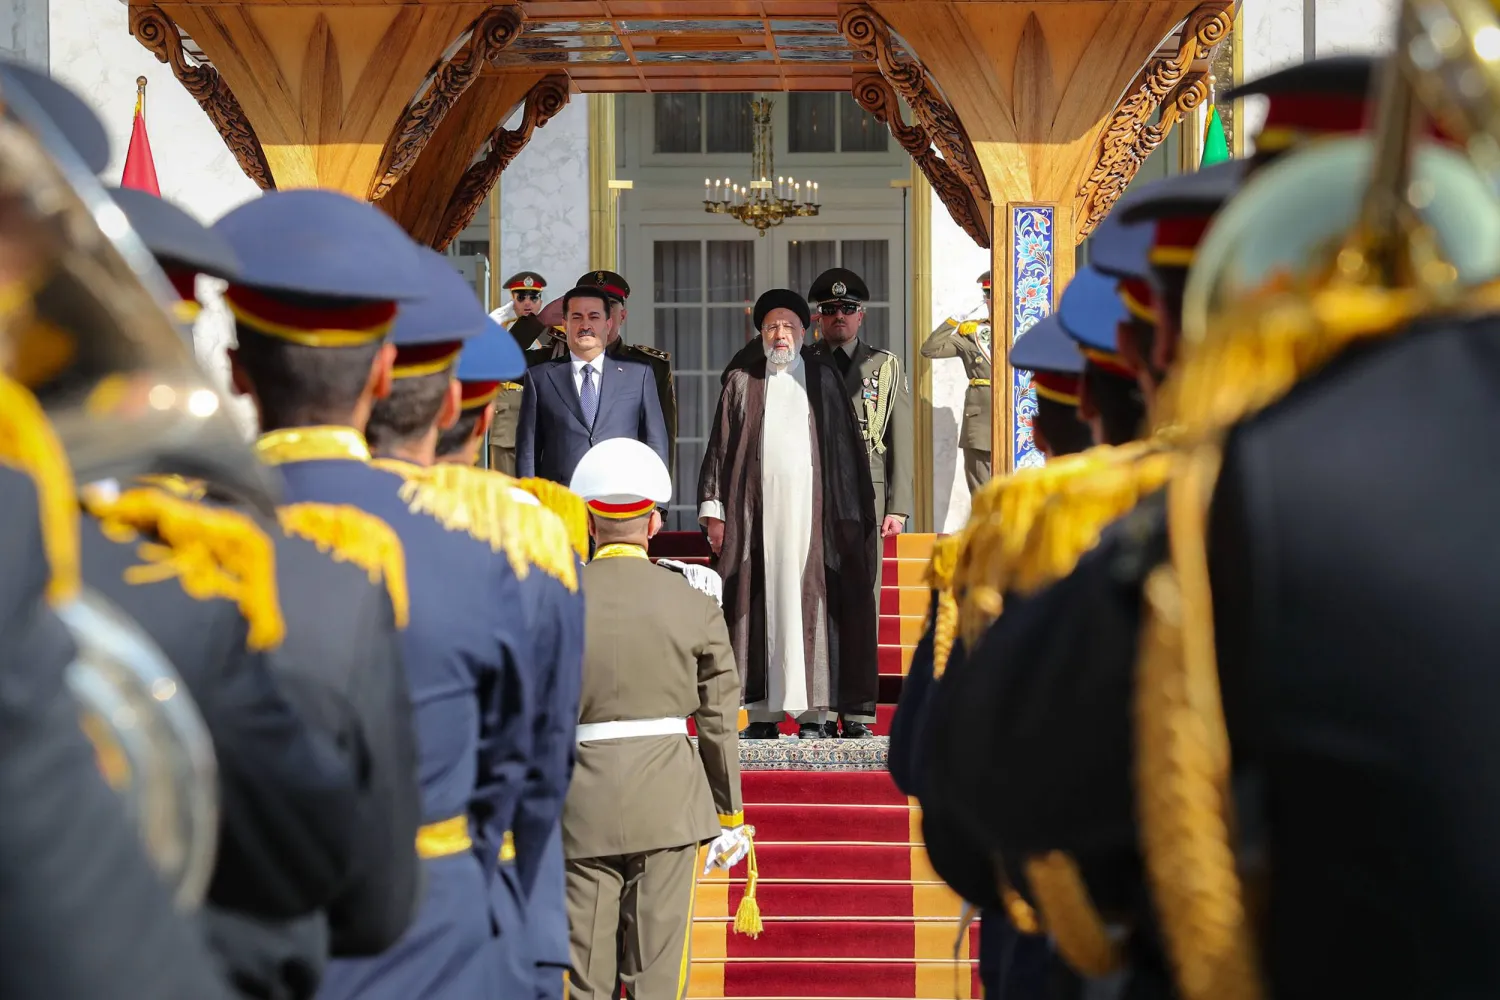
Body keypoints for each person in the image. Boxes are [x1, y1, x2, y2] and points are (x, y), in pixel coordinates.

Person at [217, 190, 533, 1000]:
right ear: (384, 369)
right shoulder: (482, 550)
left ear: (235, 371)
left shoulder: (168, 538)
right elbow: (512, 769)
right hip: (435, 930)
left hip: (229, 933)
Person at [420, 286, 589, 1000]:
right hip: (476, 886)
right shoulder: (527, 543)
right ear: (486, 415)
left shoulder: (279, 524)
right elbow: (544, 761)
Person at [566, 437, 749, 1000]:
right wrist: (728, 811)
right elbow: (718, 718)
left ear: (591, 524)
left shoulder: (555, 598)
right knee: (656, 980)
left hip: (579, 802)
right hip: (669, 804)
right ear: (653, 524)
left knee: (583, 979)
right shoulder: (693, 602)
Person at [698, 288, 878, 741]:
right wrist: (714, 512)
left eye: (789, 327)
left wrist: (850, 518)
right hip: (753, 517)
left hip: (811, 519)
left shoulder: (823, 378)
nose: (781, 335)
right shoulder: (742, 380)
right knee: (758, 602)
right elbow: (719, 450)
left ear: (805, 331)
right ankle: (762, 714)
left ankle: (813, 714)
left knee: (810, 601)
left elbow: (844, 452)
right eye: (772, 327)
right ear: (760, 334)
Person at [804, 267, 912, 739]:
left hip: (866, 495)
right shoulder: (803, 361)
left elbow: (900, 436)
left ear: (861, 315)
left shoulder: (883, 365)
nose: (839, 317)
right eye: (830, 311)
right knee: (814, 600)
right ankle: (817, 710)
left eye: (847, 310)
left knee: (862, 603)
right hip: (814, 492)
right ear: (818, 317)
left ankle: (859, 712)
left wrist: (899, 504)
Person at [516, 284, 669, 485]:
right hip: (560, 503)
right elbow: (528, 452)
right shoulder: (541, 376)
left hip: (622, 502)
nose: (585, 325)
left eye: (594, 317)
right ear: (565, 323)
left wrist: (658, 507)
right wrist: (540, 320)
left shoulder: (639, 374)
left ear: (608, 323)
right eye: (577, 317)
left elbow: (656, 443)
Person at [573, 270, 678, 477]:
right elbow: (500, 365)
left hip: (624, 488)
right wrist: (539, 321)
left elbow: (660, 439)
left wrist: (658, 503)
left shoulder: (649, 366)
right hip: (565, 490)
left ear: (622, 315)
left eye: (609, 305)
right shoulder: (557, 361)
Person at [920, 270, 993, 493]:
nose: (992, 299)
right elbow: (930, 349)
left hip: (1020, 423)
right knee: (983, 495)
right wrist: (954, 319)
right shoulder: (972, 332)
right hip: (981, 424)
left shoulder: (1027, 325)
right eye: (988, 294)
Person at [489, 271, 549, 474]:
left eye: (533, 297)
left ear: (541, 300)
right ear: (512, 298)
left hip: (542, 405)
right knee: (507, 479)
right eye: (521, 296)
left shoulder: (551, 328)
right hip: (510, 403)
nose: (527, 303)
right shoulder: (498, 324)